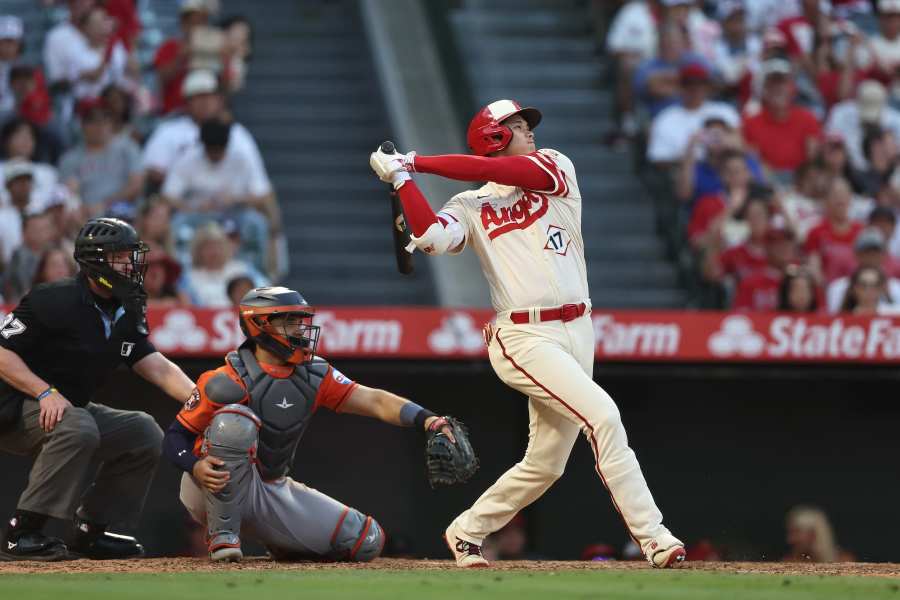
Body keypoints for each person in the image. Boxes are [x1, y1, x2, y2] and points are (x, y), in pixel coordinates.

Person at [368, 99, 685, 568]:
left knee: (546, 464)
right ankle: (654, 536)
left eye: (524, 123)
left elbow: (500, 169)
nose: (528, 130)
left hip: (579, 326)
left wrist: (414, 161)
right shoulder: (470, 204)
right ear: (492, 137)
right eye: (515, 125)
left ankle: (466, 531)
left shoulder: (555, 167)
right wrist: (402, 180)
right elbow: (430, 238)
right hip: (524, 335)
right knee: (603, 415)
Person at [162, 285, 461, 562]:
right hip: (209, 486)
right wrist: (193, 465)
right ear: (260, 324)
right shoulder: (224, 379)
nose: (301, 330)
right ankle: (223, 536)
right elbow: (175, 436)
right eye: (290, 322)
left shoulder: (314, 374)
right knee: (234, 422)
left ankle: (281, 541)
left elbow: (374, 400)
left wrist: (428, 419)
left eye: (301, 321)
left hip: (269, 486)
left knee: (364, 540)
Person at [0, 217, 196, 561]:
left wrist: (202, 400)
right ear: (96, 261)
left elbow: (153, 363)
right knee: (78, 425)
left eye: (131, 255)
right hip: (12, 406)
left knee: (143, 432)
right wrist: (45, 392)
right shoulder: (54, 298)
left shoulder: (129, 305)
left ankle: (89, 532)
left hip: (64, 407)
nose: (131, 264)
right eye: (121, 256)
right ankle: (22, 533)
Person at [161, 118, 270, 271]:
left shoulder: (241, 158)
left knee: (257, 223)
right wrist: (192, 207)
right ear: (203, 146)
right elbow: (168, 196)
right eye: (211, 151)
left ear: (227, 145)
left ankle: (257, 274)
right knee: (176, 224)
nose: (215, 155)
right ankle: (179, 272)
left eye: (219, 151)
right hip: (199, 214)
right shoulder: (188, 159)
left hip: (234, 213)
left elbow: (262, 195)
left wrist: (236, 199)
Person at [58, 101, 143, 219]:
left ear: (111, 124)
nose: (100, 126)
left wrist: (105, 204)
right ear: (83, 125)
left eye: (105, 121)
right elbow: (68, 194)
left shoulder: (127, 147)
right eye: (93, 121)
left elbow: (136, 185)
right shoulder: (70, 159)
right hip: (87, 216)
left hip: (124, 210)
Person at [646, 63, 740, 164]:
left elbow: (740, 147)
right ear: (680, 87)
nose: (695, 88)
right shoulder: (665, 118)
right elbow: (658, 159)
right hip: (680, 173)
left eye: (700, 83)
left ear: (708, 87)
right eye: (688, 83)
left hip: (723, 171)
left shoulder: (724, 111)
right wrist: (690, 149)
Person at [826, 226, 900, 312]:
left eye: (875, 252)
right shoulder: (837, 288)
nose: (871, 257)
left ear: (884, 255)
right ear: (856, 254)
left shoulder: (896, 288)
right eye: (866, 252)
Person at [784, 505, 855, 562]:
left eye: (796, 532)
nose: (790, 540)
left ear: (812, 534)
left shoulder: (845, 563)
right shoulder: (788, 563)